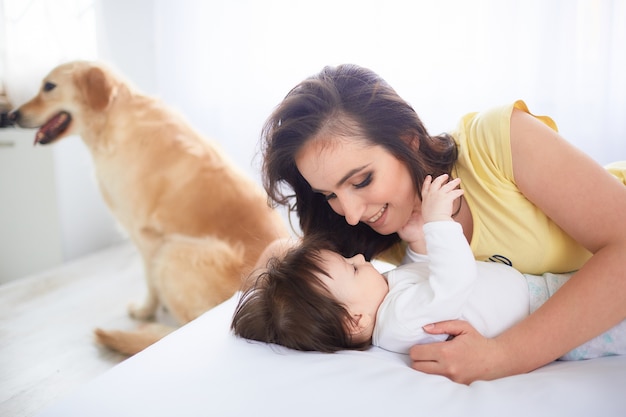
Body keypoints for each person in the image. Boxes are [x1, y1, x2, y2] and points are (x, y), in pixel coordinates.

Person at [257, 63, 626, 383]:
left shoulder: (495, 143)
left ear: (409, 140)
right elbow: (283, 266)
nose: (351, 213)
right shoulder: (383, 241)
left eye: (362, 180)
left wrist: (504, 356)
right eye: (330, 195)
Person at [232, 174, 626, 361]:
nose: (360, 259)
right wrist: (438, 223)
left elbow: (426, 277)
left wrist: (419, 243)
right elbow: (452, 284)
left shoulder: (388, 299)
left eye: (350, 259)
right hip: (549, 314)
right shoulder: (400, 323)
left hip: (544, 294)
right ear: (354, 322)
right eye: (352, 269)